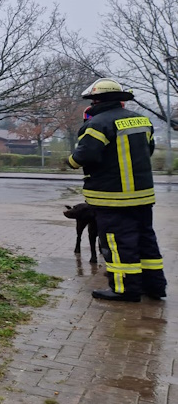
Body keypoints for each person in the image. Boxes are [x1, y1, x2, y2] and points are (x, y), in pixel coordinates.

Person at [67, 77, 167, 302]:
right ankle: (155, 287)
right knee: (145, 239)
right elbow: (147, 151)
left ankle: (124, 289)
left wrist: (70, 161)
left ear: (96, 100)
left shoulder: (98, 124)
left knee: (117, 242)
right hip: (142, 196)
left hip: (112, 198)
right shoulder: (141, 121)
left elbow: (85, 156)